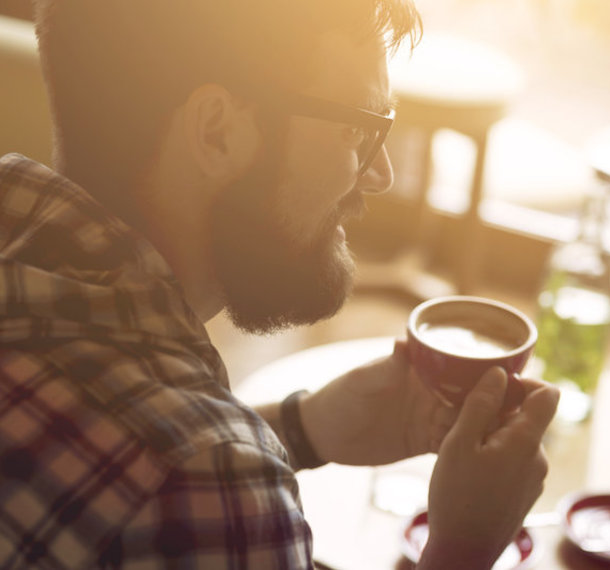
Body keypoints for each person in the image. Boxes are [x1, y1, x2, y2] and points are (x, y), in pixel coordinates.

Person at [0, 0, 557, 568]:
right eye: (355, 128)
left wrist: (299, 427)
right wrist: (463, 546)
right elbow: (178, 474)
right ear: (216, 131)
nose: (381, 174)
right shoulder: (209, 480)